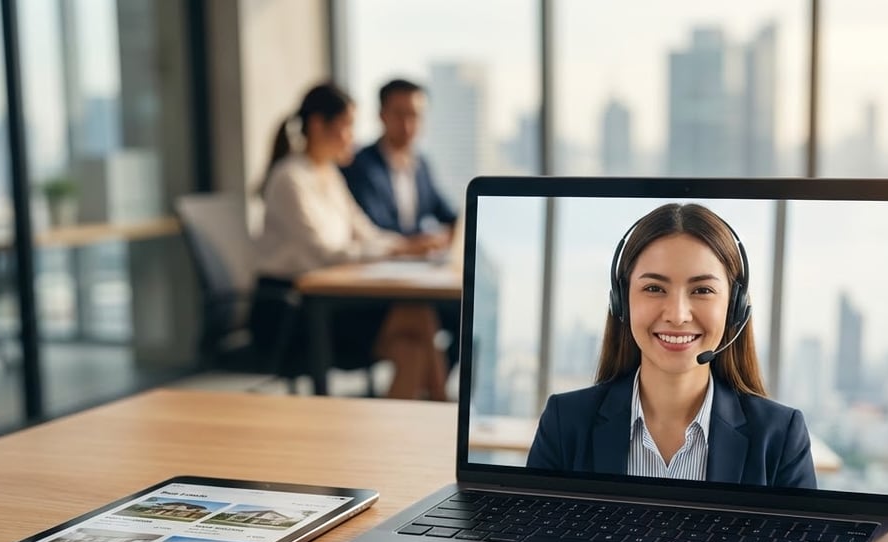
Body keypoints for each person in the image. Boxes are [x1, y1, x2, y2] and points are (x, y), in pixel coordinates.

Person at [526, 203, 817, 489]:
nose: (677, 315)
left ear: (734, 308)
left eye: (702, 290)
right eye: (654, 288)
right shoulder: (565, 422)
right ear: (621, 301)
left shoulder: (780, 436)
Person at [251, 81, 448, 400]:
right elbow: (327, 253)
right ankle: (446, 413)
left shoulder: (328, 174)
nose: (352, 138)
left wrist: (404, 246)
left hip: (330, 304)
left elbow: (365, 231)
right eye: (346, 126)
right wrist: (400, 249)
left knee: (413, 343)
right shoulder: (290, 179)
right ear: (317, 126)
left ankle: (424, 427)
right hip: (293, 313)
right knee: (417, 316)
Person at [343, 78, 461, 367]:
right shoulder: (361, 166)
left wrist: (459, 230)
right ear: (382, 115)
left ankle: (433, 391)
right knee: (423, 320)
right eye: (400, 114)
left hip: (416, 279)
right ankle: (435, 397)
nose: (408, 124)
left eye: (416, 115)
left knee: (466, 313)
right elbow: (374, 228)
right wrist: (417, 243)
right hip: (376, 291)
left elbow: (448, 212)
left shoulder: (421, 165)